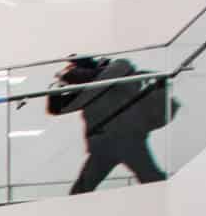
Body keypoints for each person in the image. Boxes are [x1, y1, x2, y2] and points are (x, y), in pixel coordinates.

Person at [51, 55, 171, 194]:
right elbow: (57, 108)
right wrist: (59, 85)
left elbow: (90, 76)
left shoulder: (121, 68)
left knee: (151, 178)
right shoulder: (91, 89)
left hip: (127, 138)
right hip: (103, 143)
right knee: (81, 189)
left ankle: (171, 202)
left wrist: (66, 74)